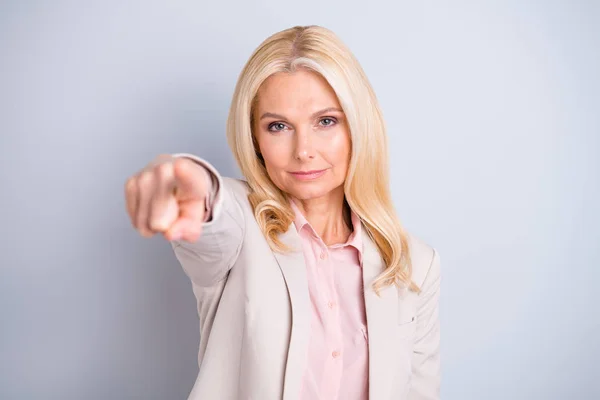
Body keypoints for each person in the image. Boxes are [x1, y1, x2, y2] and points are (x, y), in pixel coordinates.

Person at [125, 25, 440, 400]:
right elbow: (214, 212)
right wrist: (184, 180)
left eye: (326, 121)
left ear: (357, 127)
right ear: (255, 140)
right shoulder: (241, 226)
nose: (303, 150)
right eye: (278, 126)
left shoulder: (414, 264)